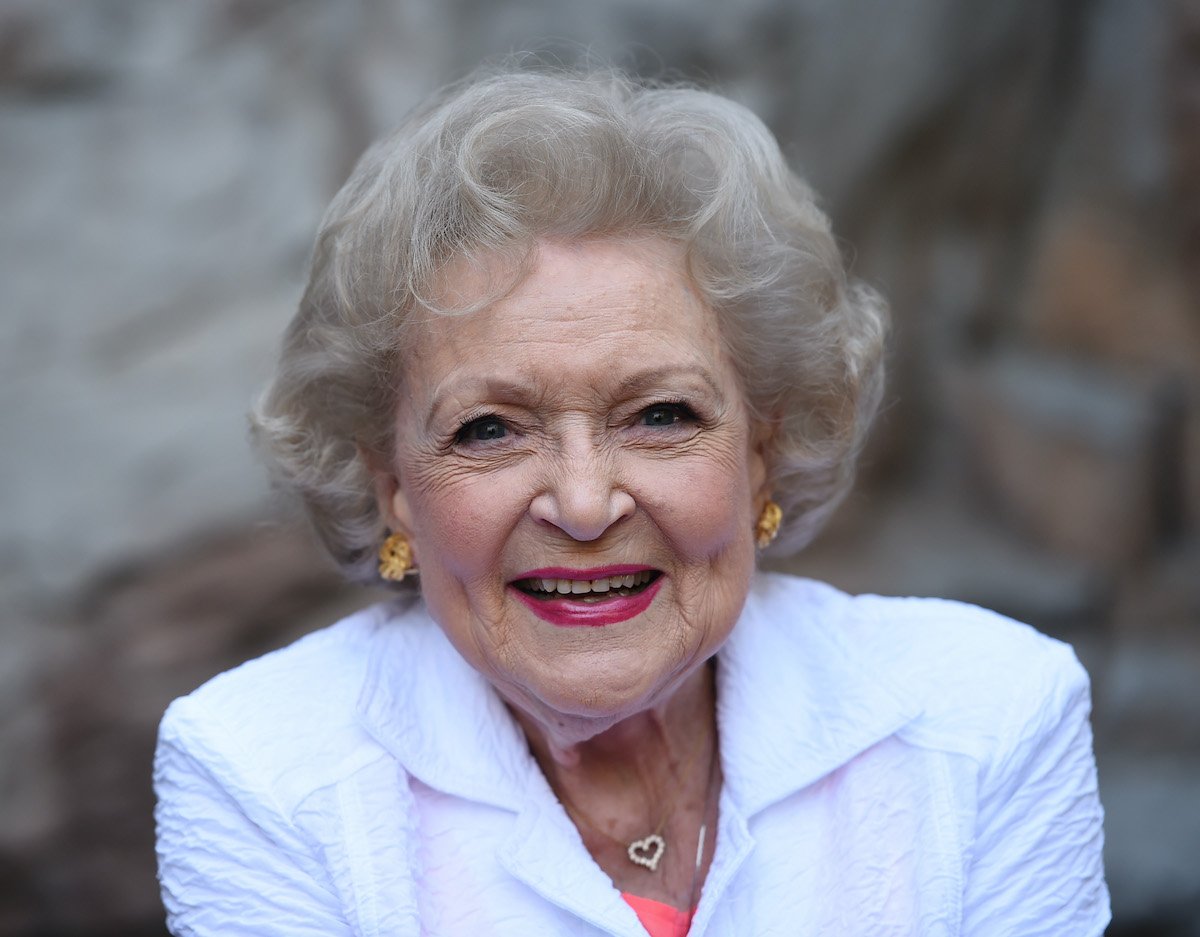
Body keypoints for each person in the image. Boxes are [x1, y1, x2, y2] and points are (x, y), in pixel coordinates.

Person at [153, 63, 1110, 936]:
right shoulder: (266, 773)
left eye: (658, 414)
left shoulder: (986, 718)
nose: (581, 502)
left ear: (763, 454)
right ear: (393, 487)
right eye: (489, 429)